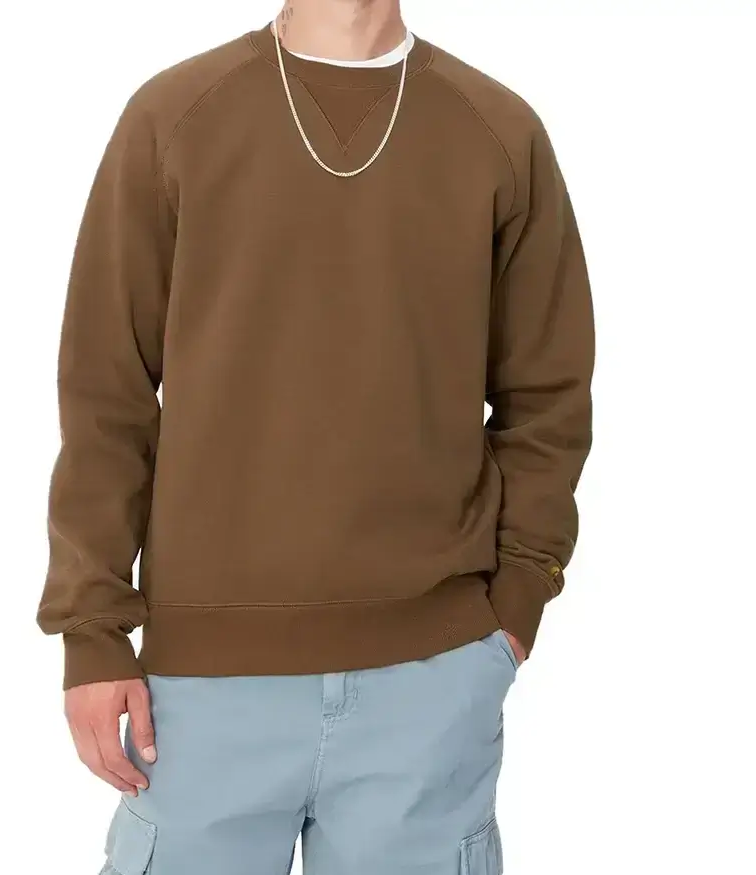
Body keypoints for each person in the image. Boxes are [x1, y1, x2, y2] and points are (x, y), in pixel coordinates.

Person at [37, 1, 594, 872]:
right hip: (199, 689)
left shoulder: (497, 130)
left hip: (431, 678)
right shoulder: (175, 116)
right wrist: (92, 630)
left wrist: (515, 603)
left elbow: (547, 396)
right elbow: (106, 391)